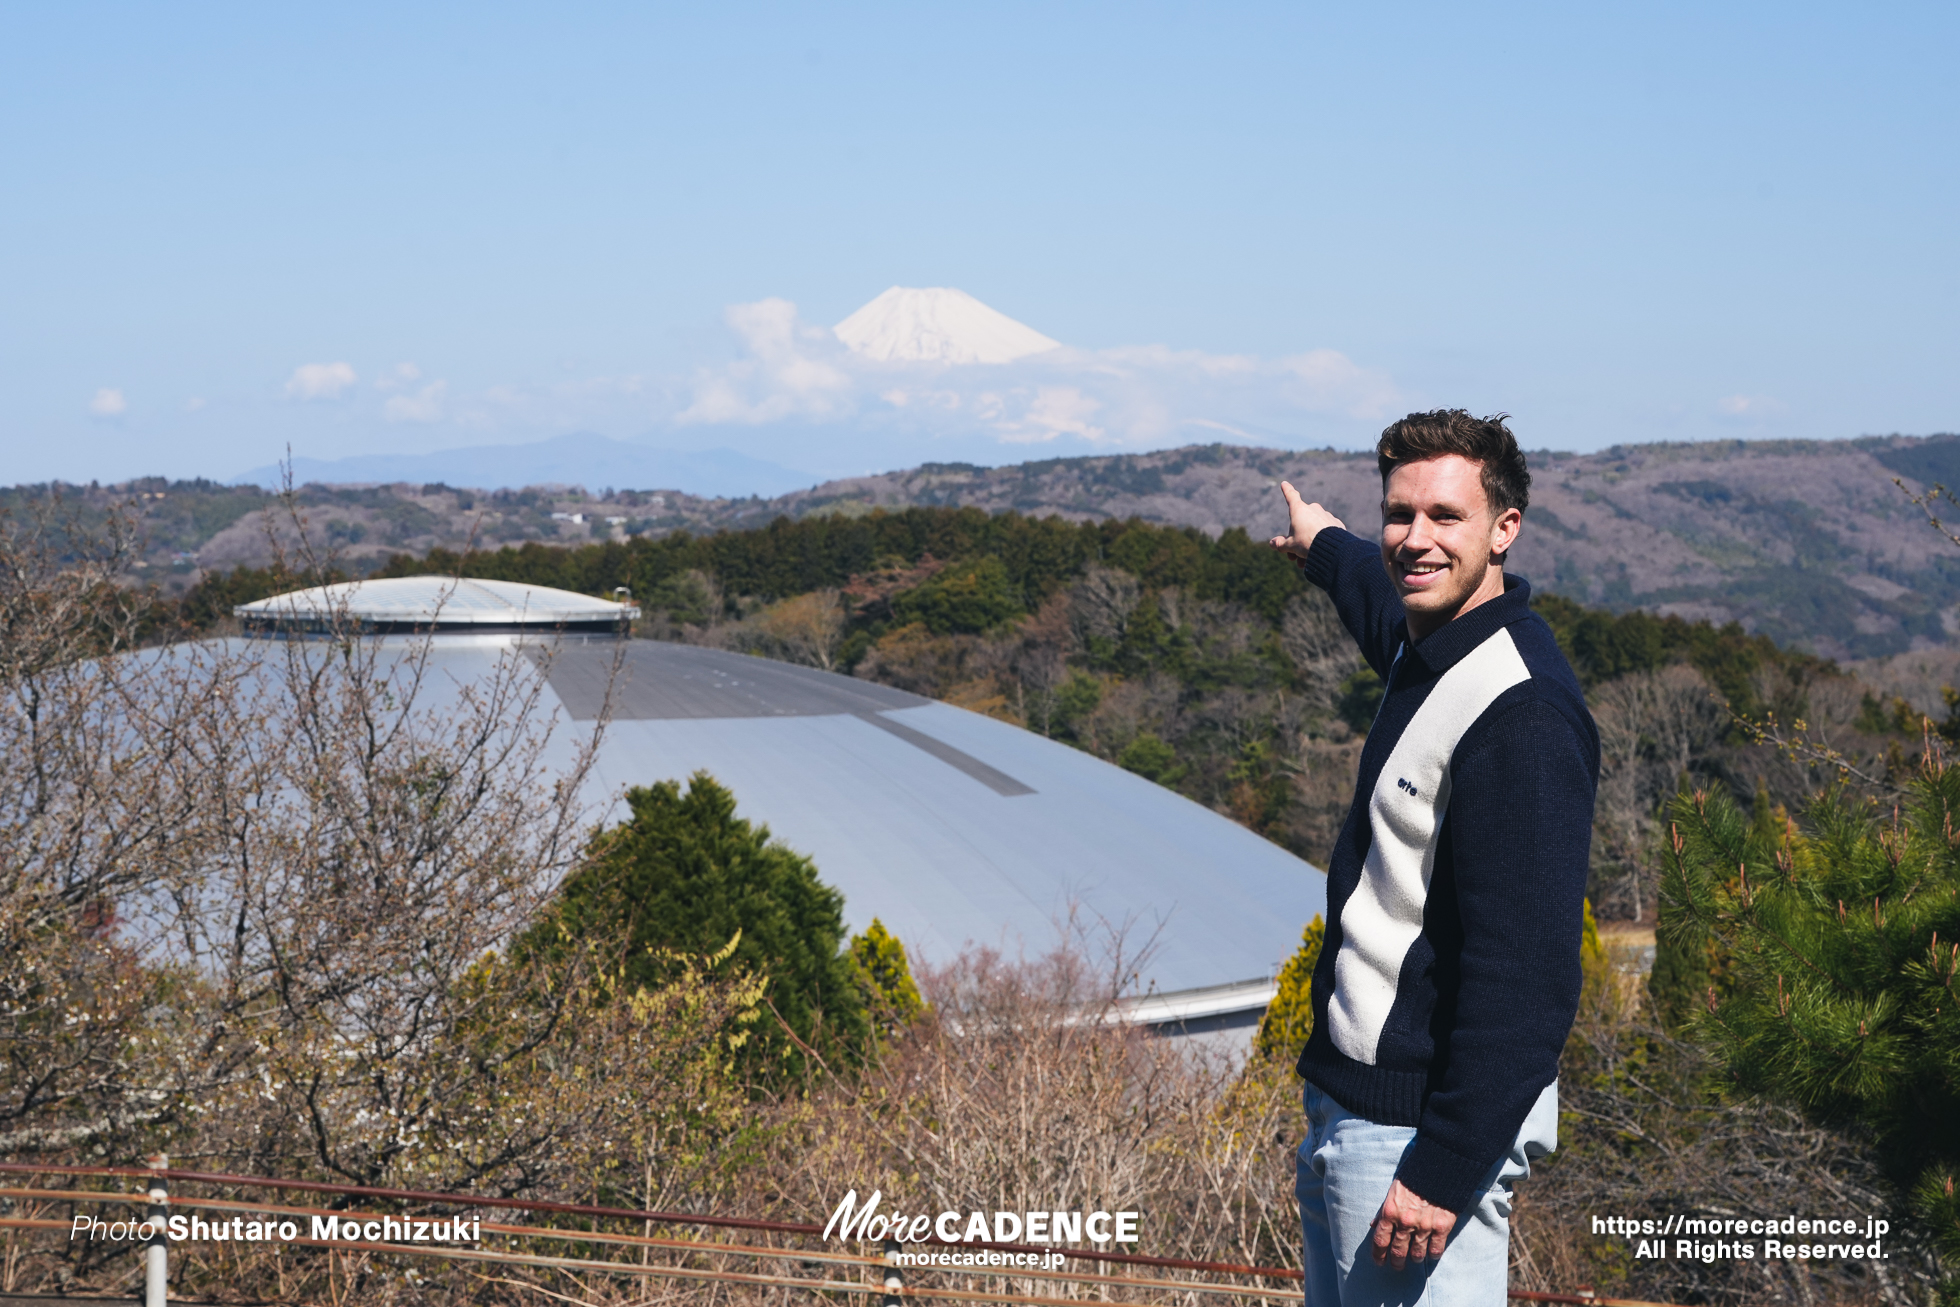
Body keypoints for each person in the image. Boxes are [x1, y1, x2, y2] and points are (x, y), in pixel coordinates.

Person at [1267, 410, 1598, 1305]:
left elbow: (1528, 981)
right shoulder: (1436, 646)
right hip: (1357, 1114)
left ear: (1504, 529)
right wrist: (1328, 544)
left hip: (1412, 1140)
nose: (1415, 539)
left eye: (1445, 517)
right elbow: (1386, 610)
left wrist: (1443, 1168)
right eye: (1398, 514)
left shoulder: (1521, 716)